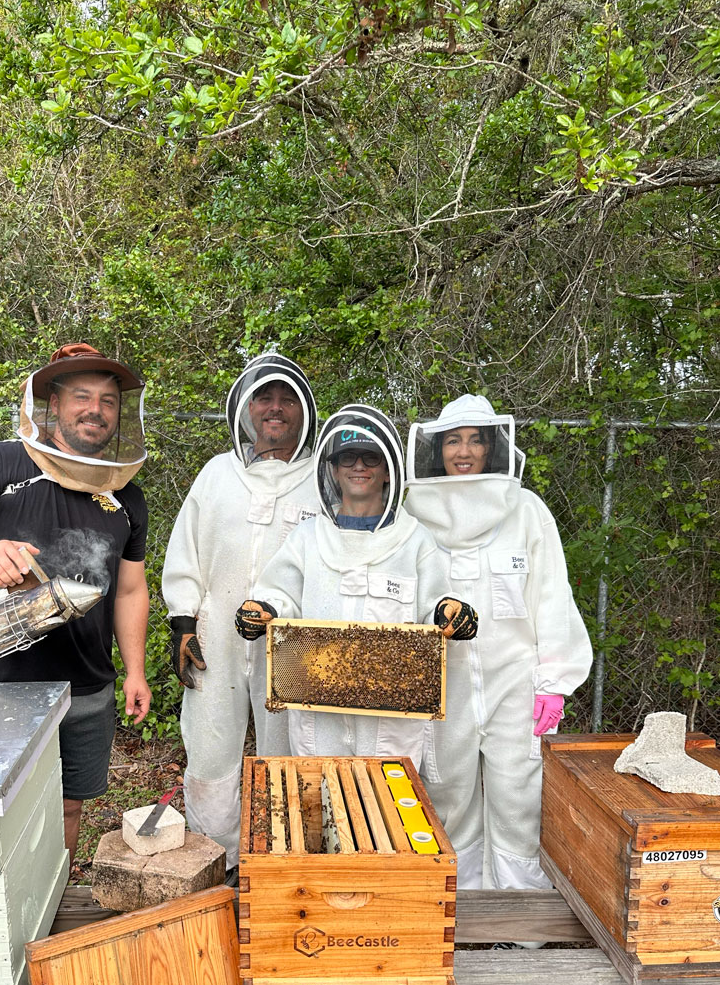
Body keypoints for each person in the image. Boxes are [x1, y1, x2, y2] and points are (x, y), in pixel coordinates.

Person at [0, 343, 152, 865]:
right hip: (8, 683)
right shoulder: (1, 463)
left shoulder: (126, 494)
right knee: (0, 809)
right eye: (81, 396)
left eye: (108, 401)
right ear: (50, 404)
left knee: (70, 808)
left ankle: (51, 905)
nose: (96, 409)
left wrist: (134, 670)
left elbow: (131, 589)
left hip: (88, 684)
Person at [404, 393, 592, 912]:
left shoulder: (526, 510)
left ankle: (520, 919)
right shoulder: (412, 513)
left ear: (493, 448)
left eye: (475, 441)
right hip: (444, 681)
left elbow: (552, 595)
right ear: (436, 449)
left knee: (519, 797)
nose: (463, 452)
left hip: (517, 680)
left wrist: (555, 678)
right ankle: (459, 914)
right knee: (449, 793)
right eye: (453, 440)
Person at [235, 405, 478, 772]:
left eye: (371, 458)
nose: (359, 467)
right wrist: (264, 610)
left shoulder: (415, 540)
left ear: (387, 471)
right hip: (319, 716)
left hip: (391, 721)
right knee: (321, 804)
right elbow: (280, 595)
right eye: (348, 457)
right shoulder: (307, 537)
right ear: (333, 469)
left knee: (388, 814)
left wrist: (450, 613)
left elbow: (435, 606)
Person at [162, 353, 319, 875]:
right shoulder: (216, 474)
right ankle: (216, 859)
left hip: (297, 638)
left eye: (287, 398)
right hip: (217, 631)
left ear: (304, 410)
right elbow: (186, 551)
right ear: (245, 408)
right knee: (210, 745)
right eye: (264, 397)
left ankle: (280, 863)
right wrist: (183, 621)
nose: (275, 408)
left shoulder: (324, 478)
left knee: (289, 747)